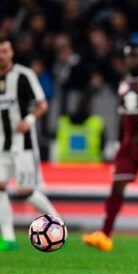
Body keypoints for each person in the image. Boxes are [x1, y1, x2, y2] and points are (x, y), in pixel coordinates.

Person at [82, 43, 138, 254]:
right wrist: (118, 141)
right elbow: (123, 116)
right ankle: (104, 236)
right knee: (117, 186)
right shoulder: (123, 83)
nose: (133, 60)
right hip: (129, 145)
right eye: (129, 57)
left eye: (136, 56)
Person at [0, 37, 60, 251]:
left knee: (25, 191)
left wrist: (29, 120)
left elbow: (42, 104)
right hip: (1, 146)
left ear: (12, 52)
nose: (1, 55)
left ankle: (58, 223)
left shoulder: (24, 75)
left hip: (22, 144)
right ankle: (8, 238)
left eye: (5, 50)